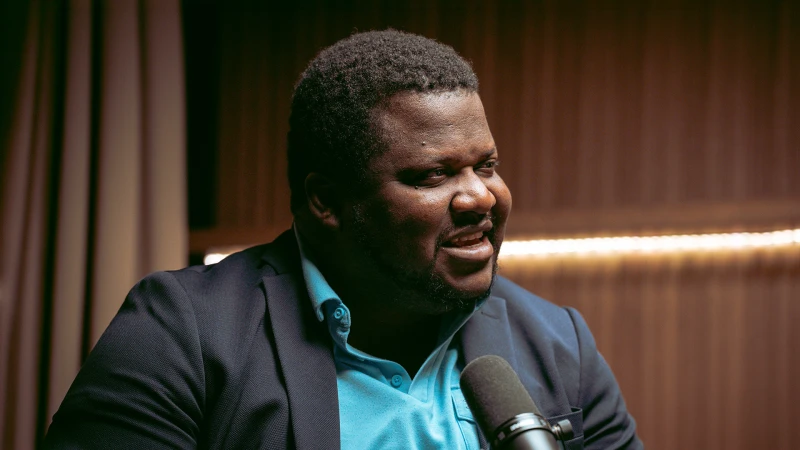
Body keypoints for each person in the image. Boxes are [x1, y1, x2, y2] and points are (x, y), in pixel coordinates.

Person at [45, 30, 642, 449]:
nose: (480, 197)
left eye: (485, 166)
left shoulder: (559, 342)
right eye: (432, 175)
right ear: (326, 201)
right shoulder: (181, 332)